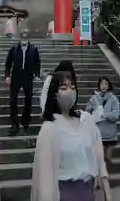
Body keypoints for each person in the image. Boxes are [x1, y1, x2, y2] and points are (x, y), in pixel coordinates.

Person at [31, 72, 112, 201]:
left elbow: (99, 160)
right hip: (65, 193)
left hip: (88, 192)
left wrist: (107, 194)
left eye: (73, 88)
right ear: (54, 94)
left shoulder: (86, 121)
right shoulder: (50, 128)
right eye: (64, 88)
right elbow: (44, 178)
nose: (70, 91)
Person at [5, 30, 41, 135]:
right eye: (22, 37)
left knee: (29, 98)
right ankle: (14, 122)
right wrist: (7, 75)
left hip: (28, 77)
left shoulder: (34, 49)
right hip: (16, 77)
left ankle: (26, 119)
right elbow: (8, 63)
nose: (24, 39)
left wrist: (37, 74)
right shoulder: (14, 49)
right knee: (13, 99)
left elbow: (37, 62)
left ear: (28, 38)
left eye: (26, 37)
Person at [86, 76, 120, 163]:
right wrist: (90, 109)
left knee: (108, 159)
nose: (104, 86)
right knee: (98, 158)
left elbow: (116, 114)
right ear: (99, 85)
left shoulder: (113, 99)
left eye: (106, 84)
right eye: (102, 84)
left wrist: (104, 115)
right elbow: (87, 112)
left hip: (109, 131)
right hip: (98, 131)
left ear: (109, 85)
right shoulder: (94, 98)